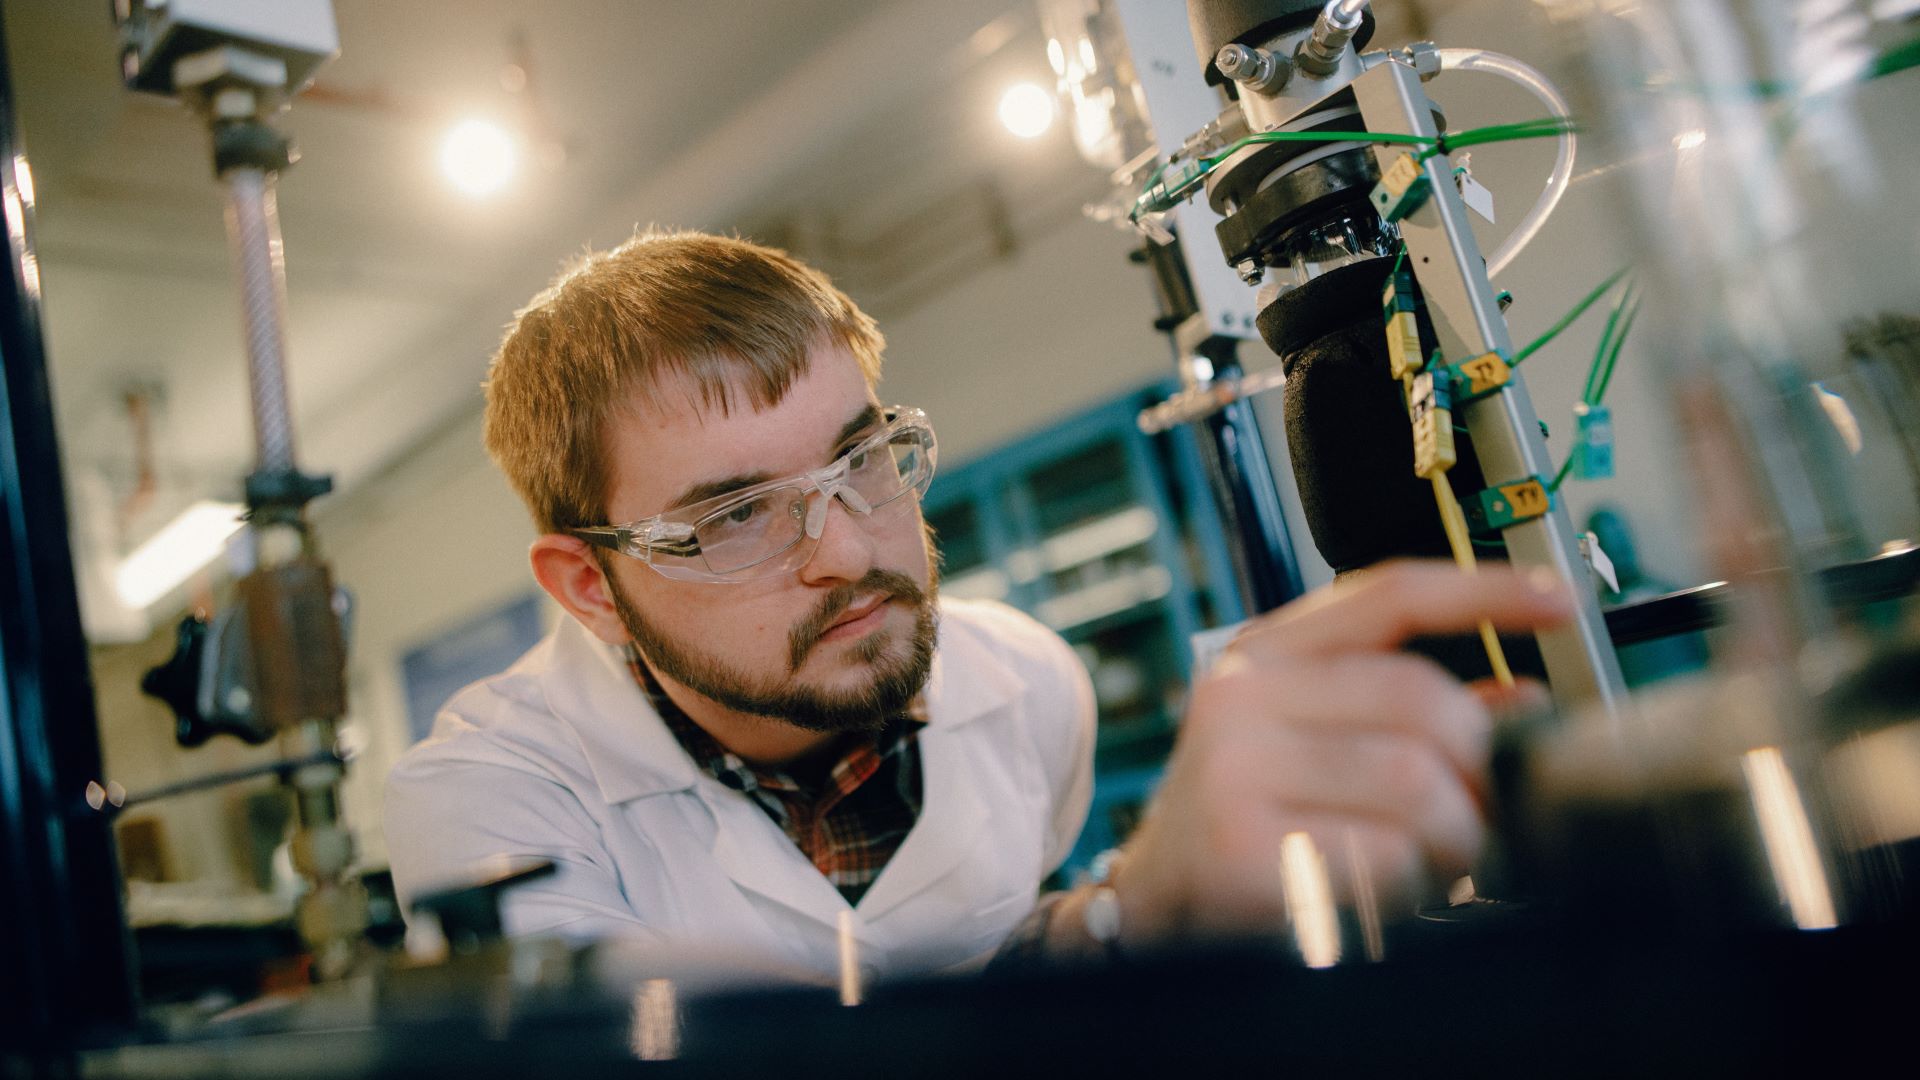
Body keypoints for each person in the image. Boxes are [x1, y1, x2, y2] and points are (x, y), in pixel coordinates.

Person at [384, 230, 1574, 980]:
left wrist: (1110, 918)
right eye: (737, 516)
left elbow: (989, 946)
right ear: (591, 584)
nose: (846, 550)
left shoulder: (1031, 686)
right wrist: (1134, 917)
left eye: (862, 459)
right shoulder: (492, 810)